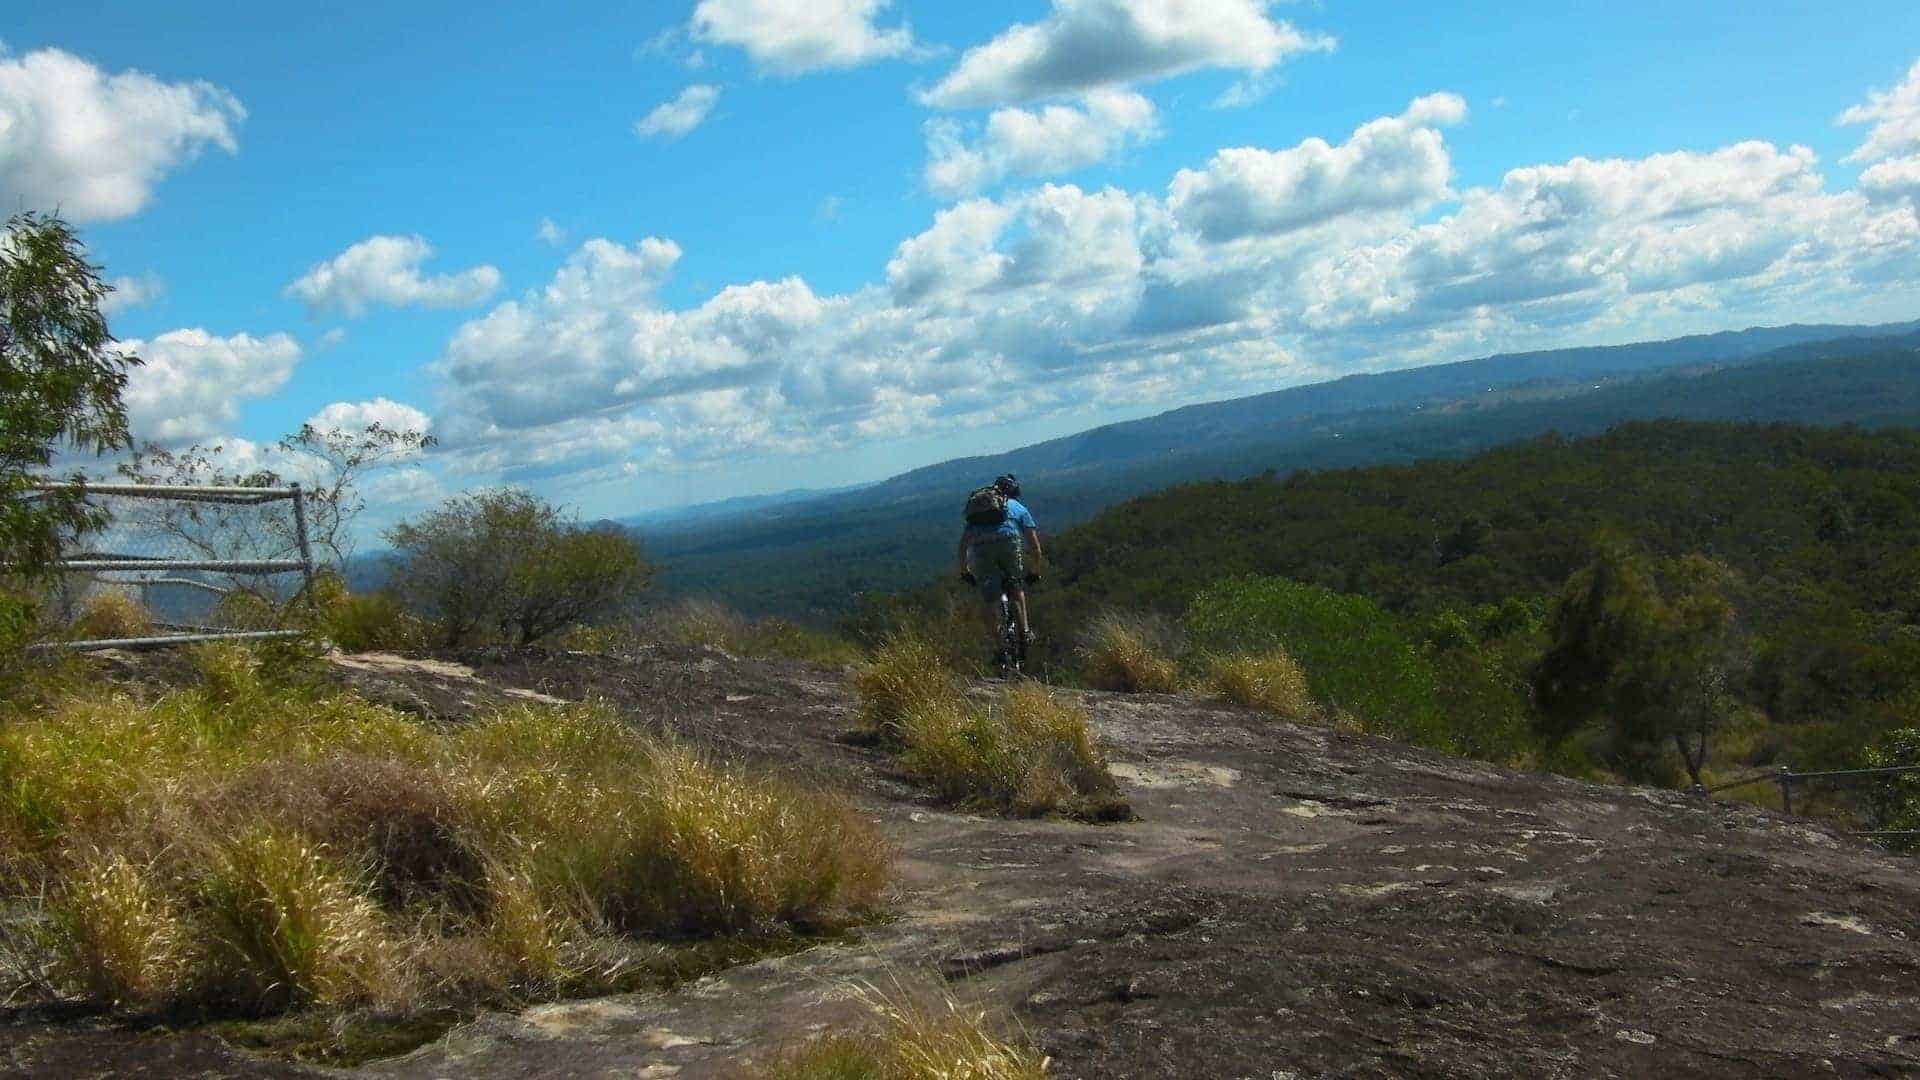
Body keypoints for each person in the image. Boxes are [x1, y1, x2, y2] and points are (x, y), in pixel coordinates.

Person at [956, 474, 1043, 665]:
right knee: (1016, 586)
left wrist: (964, 571)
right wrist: (1035, 571)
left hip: (982, 550)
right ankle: (1025, 631)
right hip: (1009, 543)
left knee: (989, 600)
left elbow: (962, 547)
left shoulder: (978, 510)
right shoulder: (1018, 507)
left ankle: (999, 648)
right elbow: (1035, 547)